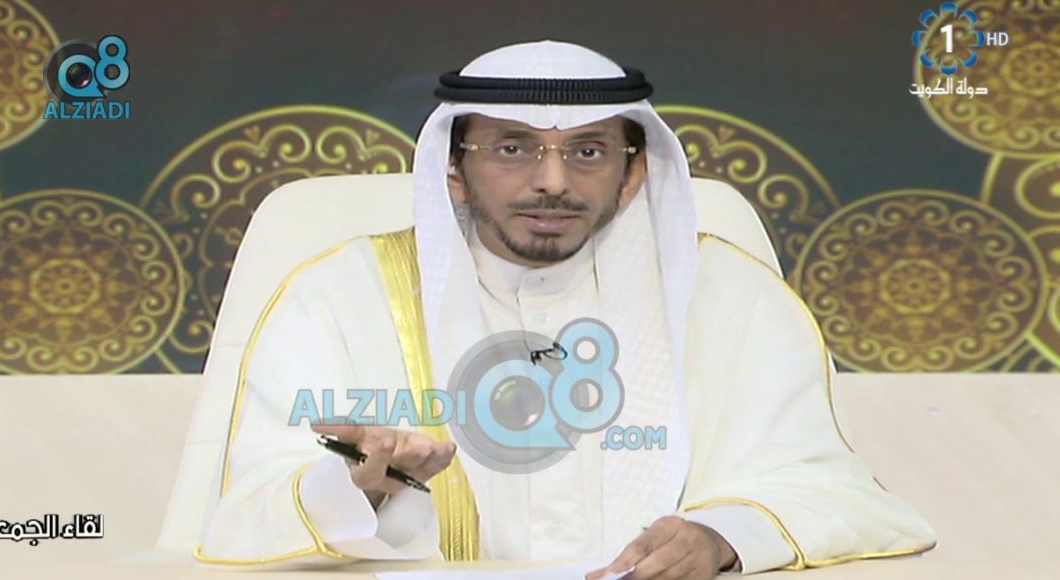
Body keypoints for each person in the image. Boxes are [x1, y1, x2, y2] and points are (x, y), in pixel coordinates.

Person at [194, 40, 936, 579]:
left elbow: (829, 488)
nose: (552, 182)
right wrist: (358, 485)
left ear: (633, 172)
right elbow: (250, 501)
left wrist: (721, 536)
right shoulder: (338, 296)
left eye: (587, 152)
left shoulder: (730, 297)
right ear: (453, 168)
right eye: (512, 149)